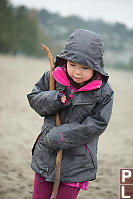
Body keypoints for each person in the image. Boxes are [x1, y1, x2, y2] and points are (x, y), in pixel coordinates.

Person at [27, 29, 114, 199]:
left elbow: (96, 125)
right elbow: (34, 98)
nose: (77, 72)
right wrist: (56, 98)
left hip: (77, 162)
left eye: (85, 67)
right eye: (72, 64)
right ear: (65, 60)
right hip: (46, 155)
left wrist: (59, 137)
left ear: (96, 66)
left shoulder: (103, 92)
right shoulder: (53, 76)